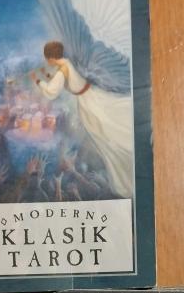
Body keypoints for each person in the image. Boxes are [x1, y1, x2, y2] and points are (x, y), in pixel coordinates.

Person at [29, 41, 134, 199]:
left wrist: (38, 81)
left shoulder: (62, 70)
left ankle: (123, 173)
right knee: (105, 132)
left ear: (51, 58)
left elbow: (51, 92)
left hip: (88, 104)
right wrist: (47, 76)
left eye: (47, 58)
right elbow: (61, 80)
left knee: (105, 136)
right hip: (90, 96)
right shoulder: (67, 63)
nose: (47, 61)